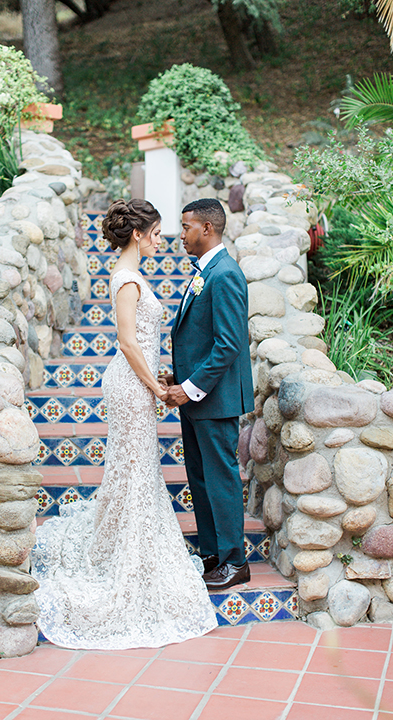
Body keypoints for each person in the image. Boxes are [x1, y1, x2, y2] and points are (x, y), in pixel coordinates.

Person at [31, 198, 217, 650]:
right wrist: (155, 388)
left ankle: (124, 544)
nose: (160, 240)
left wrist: (159, 378)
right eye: (154, 233)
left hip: (138, 384)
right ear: (138, 234)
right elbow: (128, 342)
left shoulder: (130, 274)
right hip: (133, 387)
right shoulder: (127, 278)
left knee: (136, 471)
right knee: (134, 471)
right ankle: (122, 555)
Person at [163, 198, 255, 591]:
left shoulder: (225, 274)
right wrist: (179, 375)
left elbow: (229, 343)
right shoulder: (206, 271)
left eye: (186, 227)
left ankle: (235, 562)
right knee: (200, 478)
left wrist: (190, 387)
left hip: (214, 399)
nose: (180, 235)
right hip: (197, 396)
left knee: (220, 479)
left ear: (207, 229)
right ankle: (213, 554)